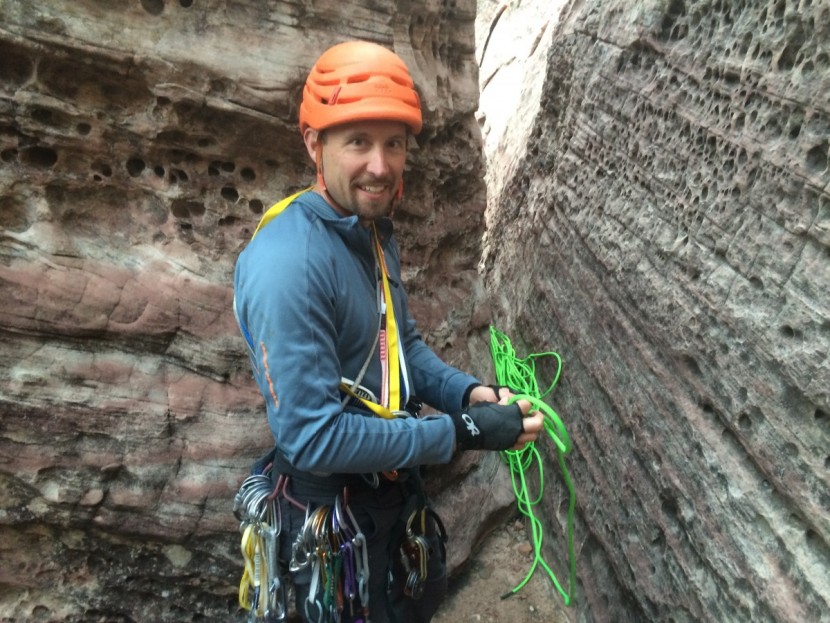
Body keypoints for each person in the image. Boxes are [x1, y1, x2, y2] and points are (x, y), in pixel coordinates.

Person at [233, 40, 545, 623]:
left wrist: (468, 395)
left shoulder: (370, 231)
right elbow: (313, 438)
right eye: (358, 141)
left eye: (394, 144)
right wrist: (457, 433)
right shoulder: (289, 263)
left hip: (388, 500)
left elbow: (402, 352)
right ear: (314, 145)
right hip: (329, 517)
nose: (380, 165)